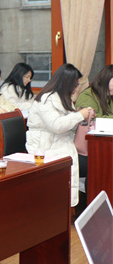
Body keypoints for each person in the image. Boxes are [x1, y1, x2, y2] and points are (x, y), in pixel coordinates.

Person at [26, 64, 94, 208]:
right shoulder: (46, 99)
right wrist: (79, 115)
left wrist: (82, 118)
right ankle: (67, 208)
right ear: (66, 83)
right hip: (44, 147)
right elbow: (57, 126)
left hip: (60, 142)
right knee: (90, 163)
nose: (76, 89)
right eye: (74, 85)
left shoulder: (63, 98)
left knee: (93, 161)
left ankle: (79, 207)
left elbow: (68, 125)